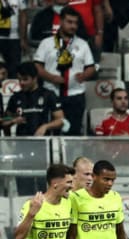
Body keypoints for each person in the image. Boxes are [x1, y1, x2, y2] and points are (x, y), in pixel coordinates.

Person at [34, 6, 95, 136]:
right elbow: (37, 67)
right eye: (69, 22)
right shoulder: (46, 43)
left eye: (75, 23)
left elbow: (91, 67)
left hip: (75, 95)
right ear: (61, 22)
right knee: (52, 132)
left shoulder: (83, 44)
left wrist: (85, 74)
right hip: (51, 93)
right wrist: (51, 77)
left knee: (74, 132)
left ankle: (72, 157)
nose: (73, 26)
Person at [2, 62, 64, 137]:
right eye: (19, 79)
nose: (21, 83)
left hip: (42, 142)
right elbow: (5, 122)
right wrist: (12, 122)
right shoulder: (15, 97)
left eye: (25, 79)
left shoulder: (48, 95)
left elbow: (60, 120)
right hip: (21, 143)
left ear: (35, 78)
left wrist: (45, 126)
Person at [0, 0, 28, 79]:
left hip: (14, 38)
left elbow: (23, 16)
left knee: (14, 70)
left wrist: (23, 39)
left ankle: (13, 89)